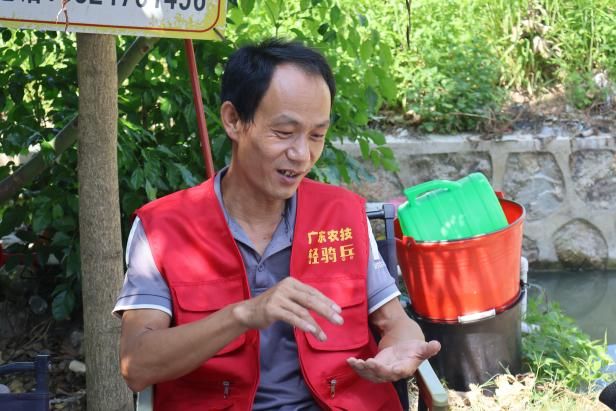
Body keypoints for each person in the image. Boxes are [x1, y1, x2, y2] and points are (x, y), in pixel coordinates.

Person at [113, 38, 441, 411]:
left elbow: (395, 322)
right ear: (233, 120)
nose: (302, 155)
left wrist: (400, 347)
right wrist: (243, 314)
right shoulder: (163, 228)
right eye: (284, 133)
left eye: (316, 135)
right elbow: (137, 365)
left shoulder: (342, 215)